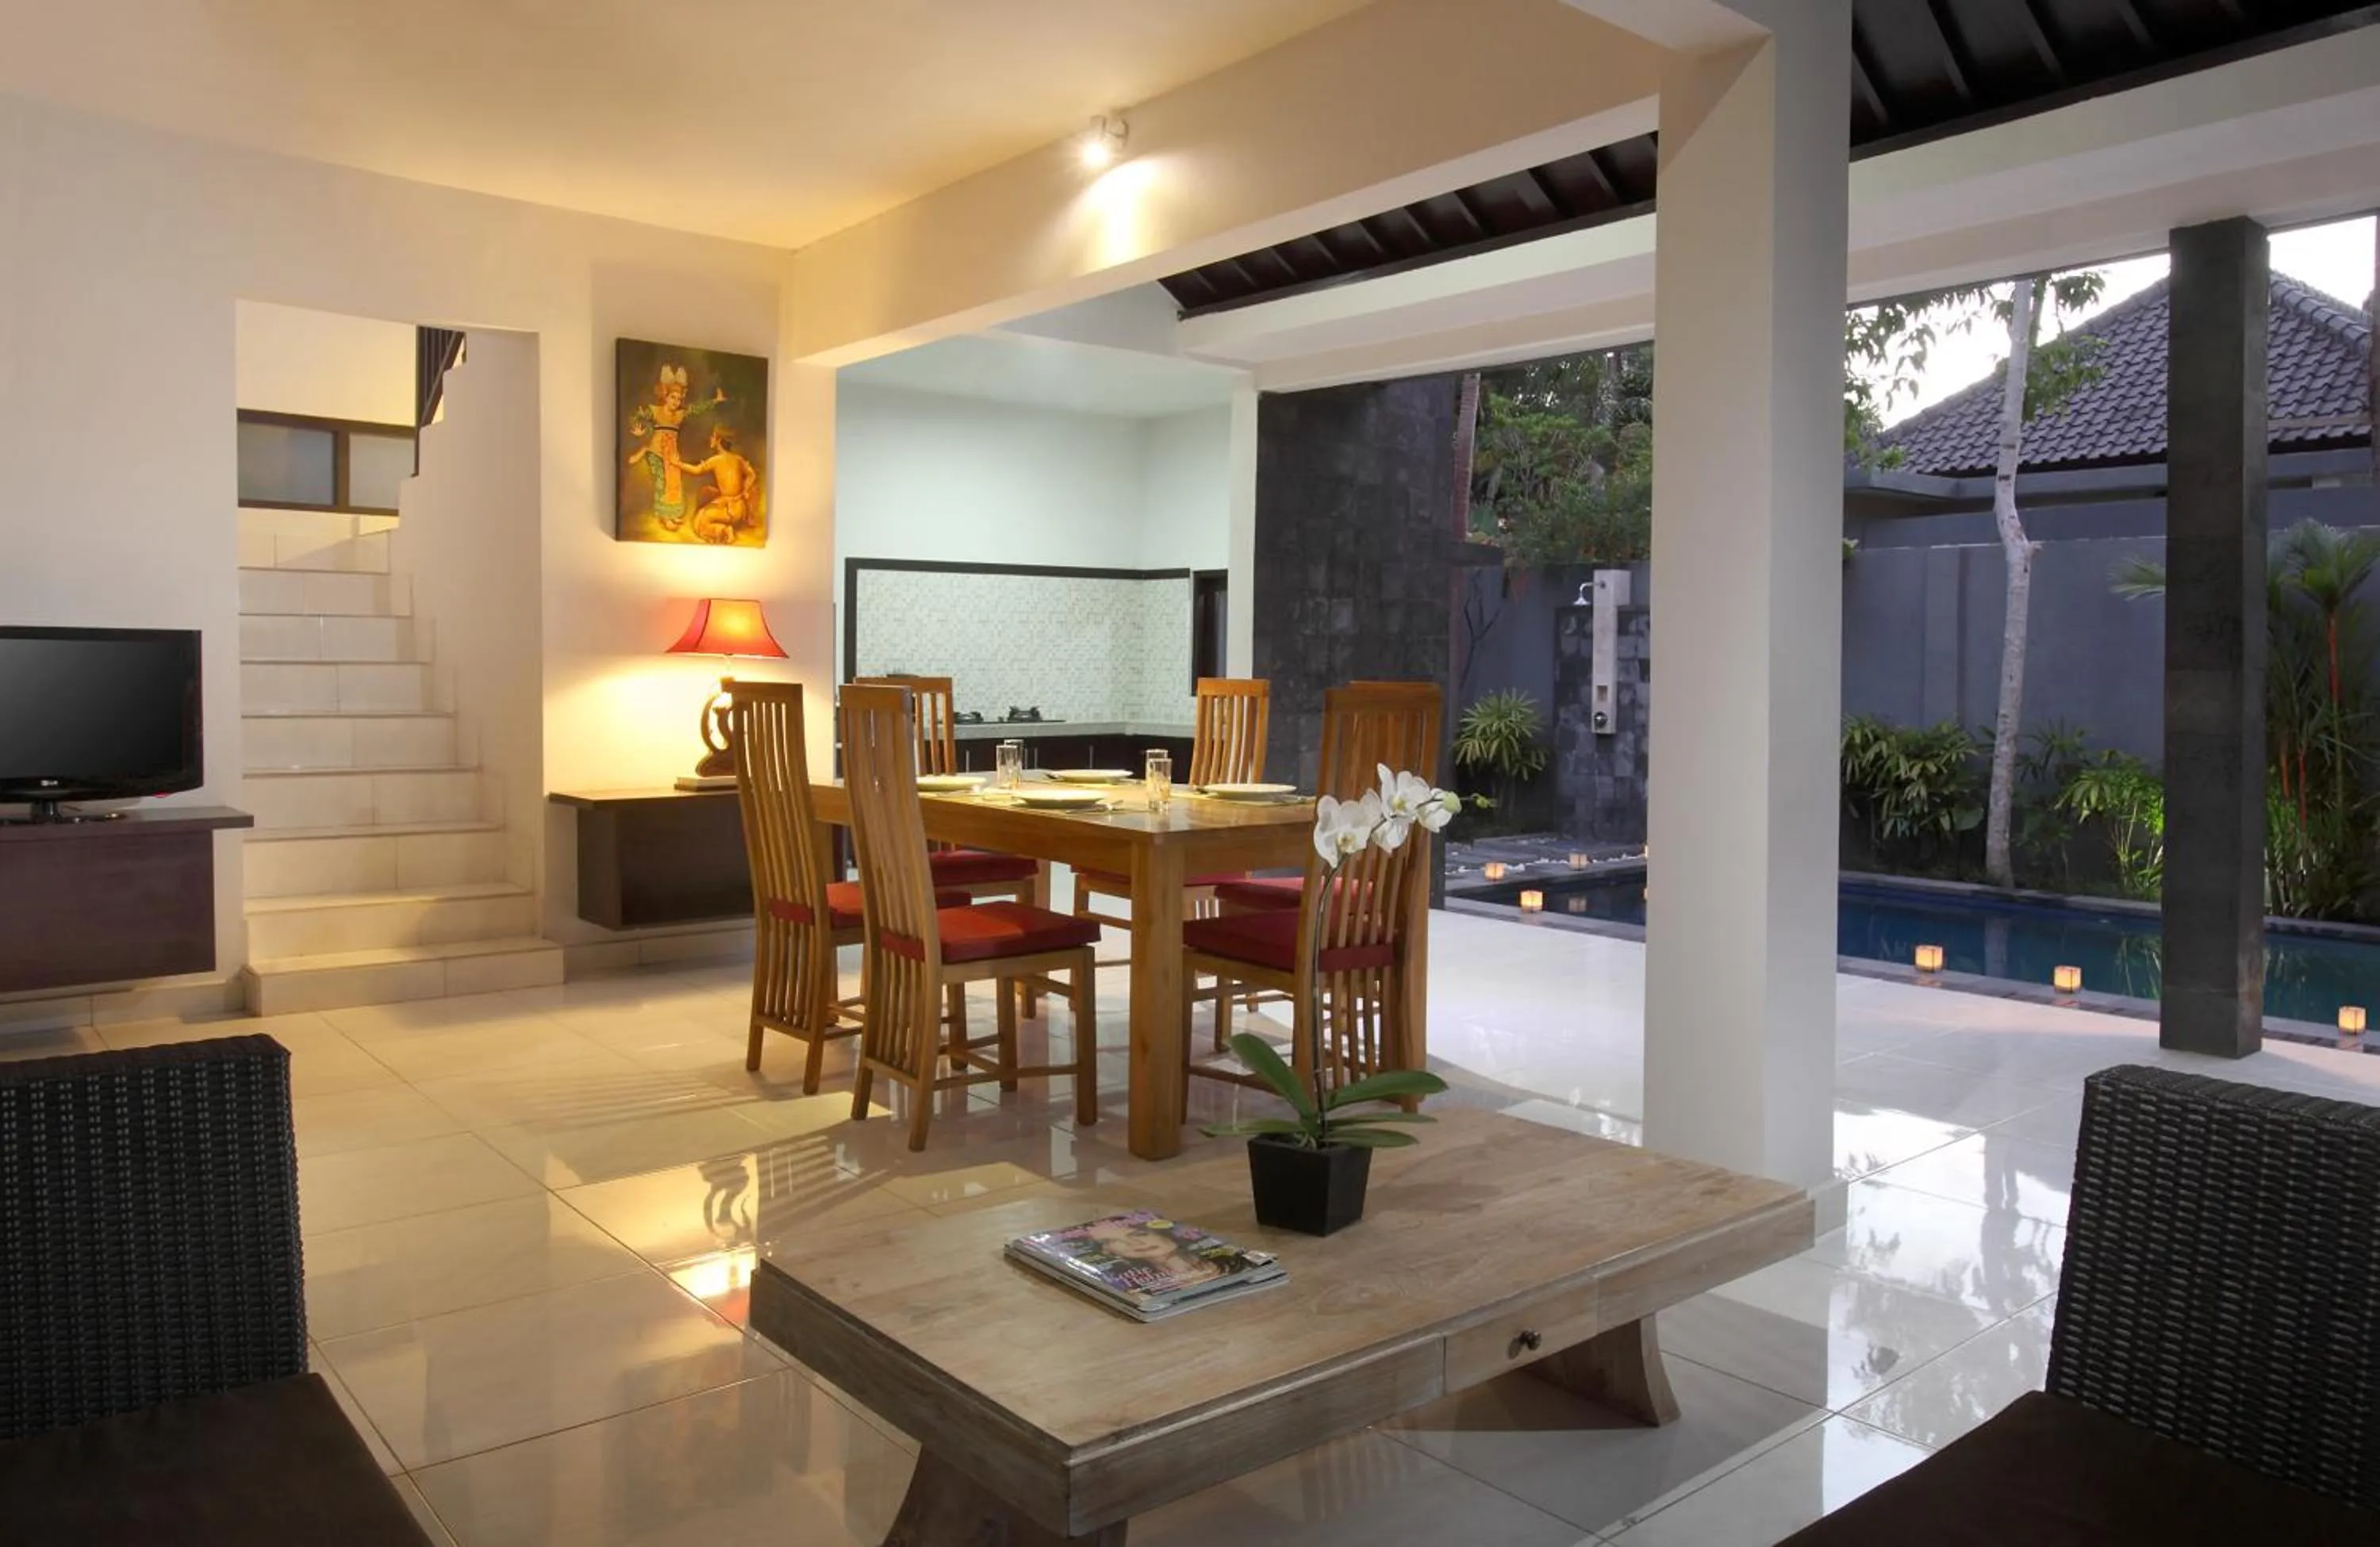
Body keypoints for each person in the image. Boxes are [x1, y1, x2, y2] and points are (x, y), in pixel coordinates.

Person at [626, 363, 724, 532]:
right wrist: (639, 431)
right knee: (662, 483)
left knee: (674, 483)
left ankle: (671, 514)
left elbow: (697, 409)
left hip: (671, 453)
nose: (676, 402)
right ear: (665, 395)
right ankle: (664, 517)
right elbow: (637, 417)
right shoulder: (655, 411)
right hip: (656, 453)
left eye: (679, 399)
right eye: (673, 397)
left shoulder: (679, 414)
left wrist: (715, 400)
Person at [676, 423, 760, 544]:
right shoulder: (738, 459)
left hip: (729, 509)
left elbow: (696, 470)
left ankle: (725, 530)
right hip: (740, 509)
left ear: (719, 440)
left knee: (699, 522)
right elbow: (752, 475)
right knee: (706, 497)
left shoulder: (716, 460)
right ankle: (728, 526)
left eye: (713, 436)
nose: (711, 439)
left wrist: (678, 464)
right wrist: (745, 490)